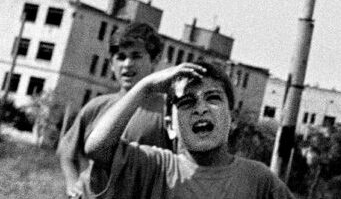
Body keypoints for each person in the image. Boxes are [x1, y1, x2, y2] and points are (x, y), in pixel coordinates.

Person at [82, 60, 286, 199]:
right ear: (170, 126)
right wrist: (146, 86)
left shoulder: (258, 179)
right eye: (187, 102)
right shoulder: (156, 167)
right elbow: (97, 147)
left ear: (231, 118)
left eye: (213, 98)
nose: (201, 109)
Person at [57, 22, 175, 199]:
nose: (127, 64)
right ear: (111, 64)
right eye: (120, 57)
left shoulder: (167, 110)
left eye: (136, 56)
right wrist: (72, 184)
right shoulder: (97, 107)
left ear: (155, 60)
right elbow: (66, 152)